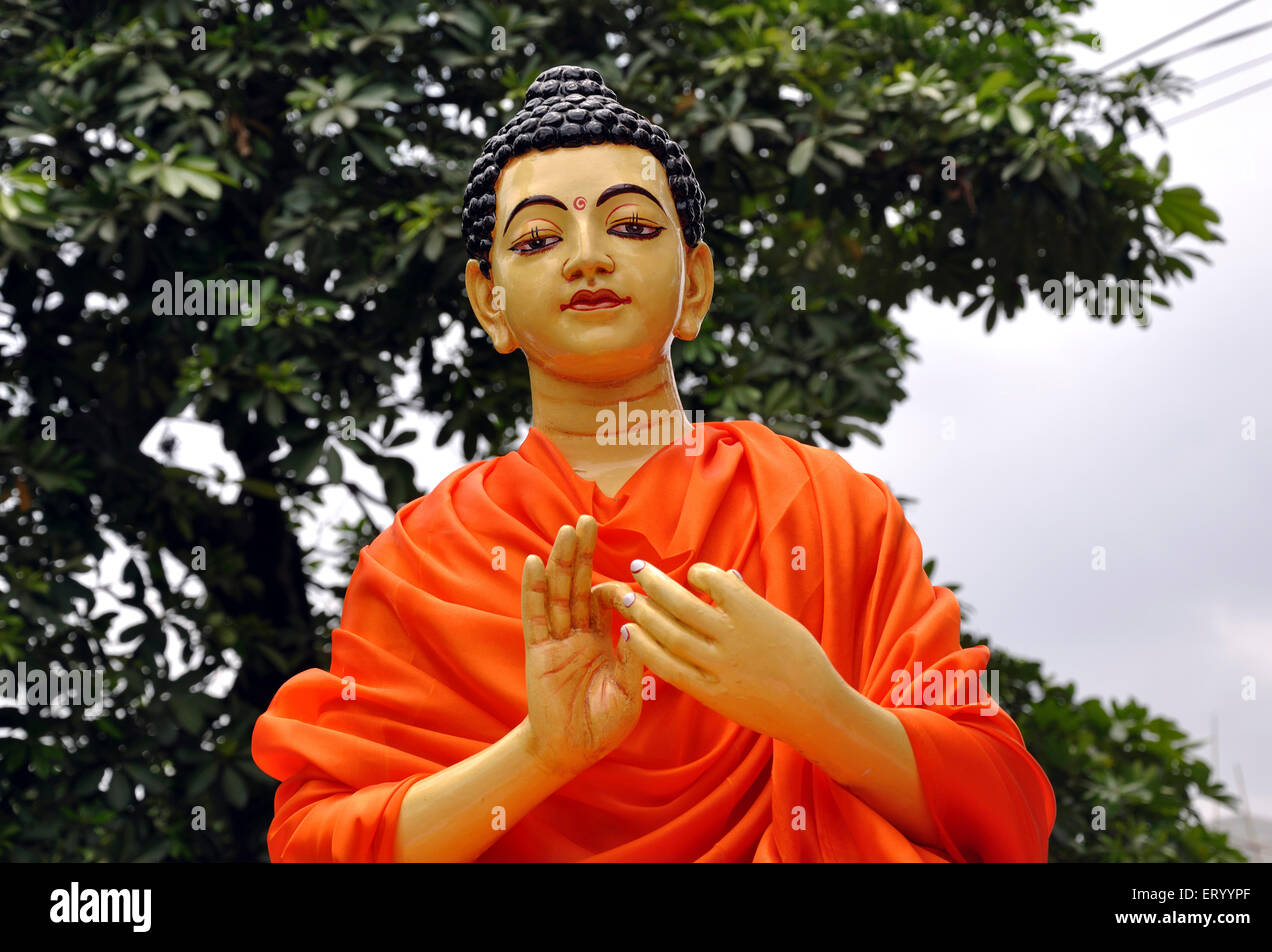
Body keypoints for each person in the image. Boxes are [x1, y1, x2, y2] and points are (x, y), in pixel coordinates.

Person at [251, 65, 1056, 862]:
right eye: (537, 239)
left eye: (631, 226)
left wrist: (814, 708)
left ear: (696, 284)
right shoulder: (422, 559)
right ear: (488, 300)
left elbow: (1002, 807)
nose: (588, 259)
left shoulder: (824, 505)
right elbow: (319, 846)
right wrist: (542, 754)